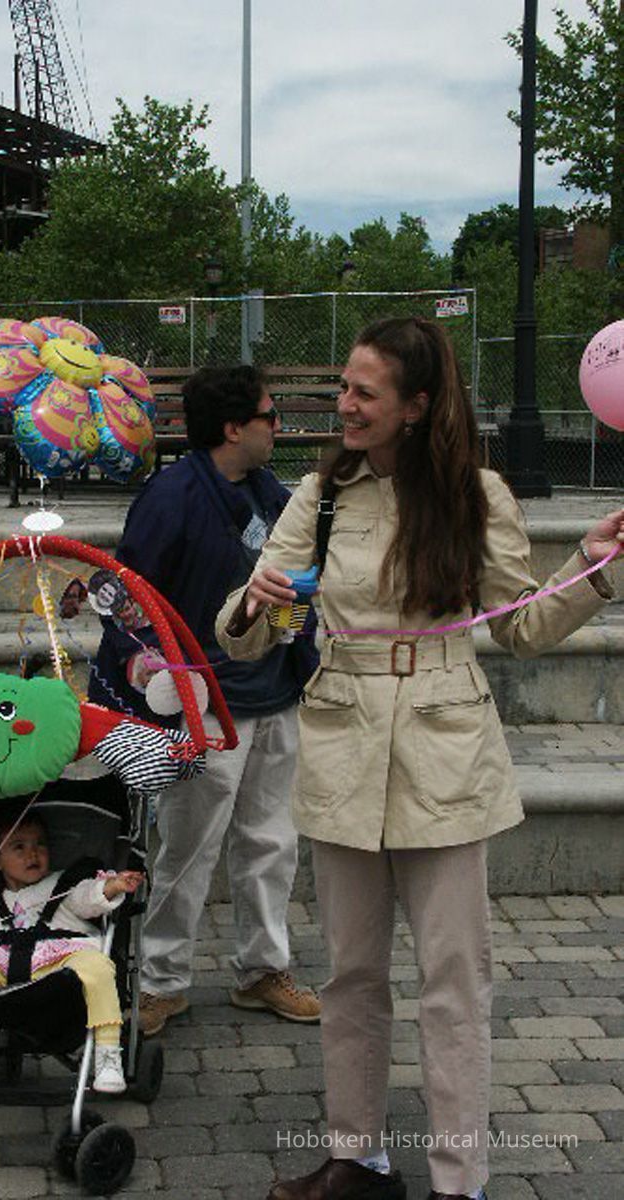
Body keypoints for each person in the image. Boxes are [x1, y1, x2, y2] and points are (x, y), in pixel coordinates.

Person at [215, 316, 623, 1200]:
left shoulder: (479, 496)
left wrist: (593, 569)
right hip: (342, 744)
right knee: (351, 974)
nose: (344, 405)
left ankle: (458, 1182)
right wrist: (254, 605)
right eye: (344, 387)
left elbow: (520, 628)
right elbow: (249, 632)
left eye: (365, 392)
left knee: (453, 981)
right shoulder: (320, 495)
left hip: (446, 753)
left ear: (417, 405)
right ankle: (356, 1159)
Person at [90, 364, 321, 1037]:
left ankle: (262, 970)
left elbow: (300, 581)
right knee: (187, 850)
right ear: (233, 428)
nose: (279, 427)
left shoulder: (273, 495)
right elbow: (128, 601)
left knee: (272, 844)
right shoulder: (169, 498)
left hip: (276, 692)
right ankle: (161, 982)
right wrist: (156, 681)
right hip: (202, 706)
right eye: (270, 416)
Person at [0, 814, 144, 1094]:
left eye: (40, 844)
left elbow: (88, 898)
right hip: (9, 968)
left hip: (62, 965)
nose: (33, 853)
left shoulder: (62, 884)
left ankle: (108, 1055)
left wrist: (112, 886)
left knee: (98, 966)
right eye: (19, 847)